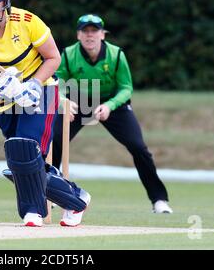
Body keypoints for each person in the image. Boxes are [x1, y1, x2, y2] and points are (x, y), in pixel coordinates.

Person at [0, 0, 91, 227]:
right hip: (4, 100)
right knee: (19, 157)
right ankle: (76, 199)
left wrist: (33, 84)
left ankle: (33, 212)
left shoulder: (27, 21)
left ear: (5, 0)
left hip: (42, 92)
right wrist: (1, 84)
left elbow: (53, 58)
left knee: (26, 149)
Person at [52, 14, 173, 214]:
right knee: (54, 140)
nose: (90, 35)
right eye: (85, 31)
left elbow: (126, 87)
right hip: (78, 99)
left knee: (138, 147)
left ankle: (159, 199)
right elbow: (58, 82)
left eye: (94, 31)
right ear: (78, 35)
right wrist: (64, 101)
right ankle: (52, 193)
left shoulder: (116, 55)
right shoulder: (67, 54)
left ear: (102, 34)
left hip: (111, 102)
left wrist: (110, 105)